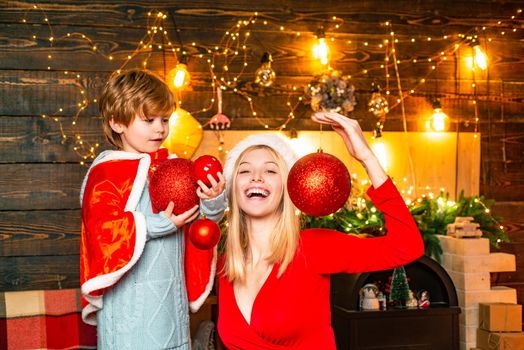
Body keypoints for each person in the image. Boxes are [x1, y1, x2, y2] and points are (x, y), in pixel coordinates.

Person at [217, 111, 424, 349]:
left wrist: (367, 157)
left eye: (270, 170)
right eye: (244, 170)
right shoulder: (227, 266)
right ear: (234, 188)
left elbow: (407, 246)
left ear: (288, 188)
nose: (256, 177)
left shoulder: (314, 247)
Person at [79, 69, 226, 349]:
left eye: (165, 119)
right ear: (117, 123)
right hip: (128, 309)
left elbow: (203, 225)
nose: (160, 128)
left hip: (172, 299)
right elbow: (102, 231)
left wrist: (212, 199)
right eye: (149, 120)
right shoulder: (106, 173)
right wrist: (161, 223)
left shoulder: (173, 168)